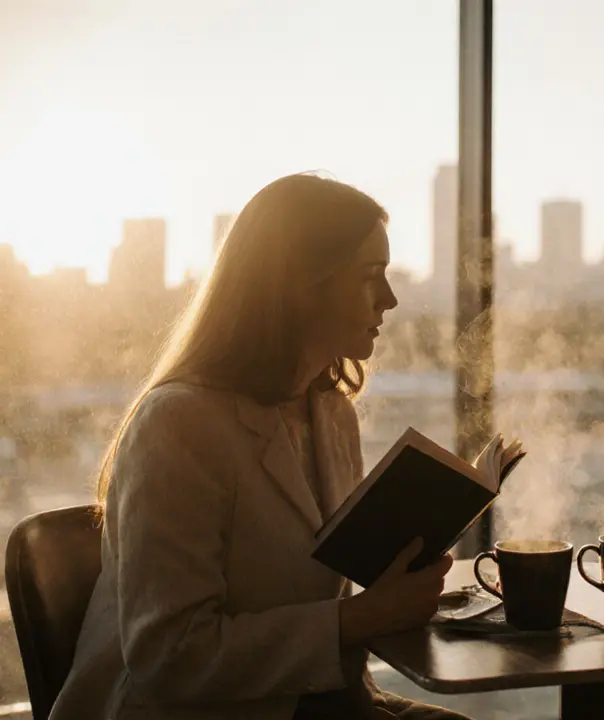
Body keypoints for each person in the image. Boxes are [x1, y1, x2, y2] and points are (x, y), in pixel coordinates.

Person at [52, 174, 469, 720]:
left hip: (312, 703)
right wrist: (361, 618)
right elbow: (169, 658)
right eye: (371, 278)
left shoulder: (331, 415)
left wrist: (400, 583)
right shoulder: (178, 425)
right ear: (301, 286)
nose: (389, 300)